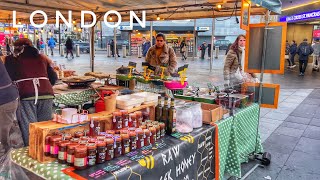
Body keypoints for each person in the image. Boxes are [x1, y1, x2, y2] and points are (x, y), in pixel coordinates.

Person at [4, 38, 57, 145]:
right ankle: (45, 151)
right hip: (46, 94)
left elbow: (9, 77)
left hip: (26, 95)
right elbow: (53, 78)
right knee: (44, 126)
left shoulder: (12, 59)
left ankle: (32, 152)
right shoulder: (42, 58)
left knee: (29, 127)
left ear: (16, 48)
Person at [0, 58, 24, 158]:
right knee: (6, 132)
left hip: (4, 100)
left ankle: (7, 166)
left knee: (3, 136)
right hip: (9, 97)